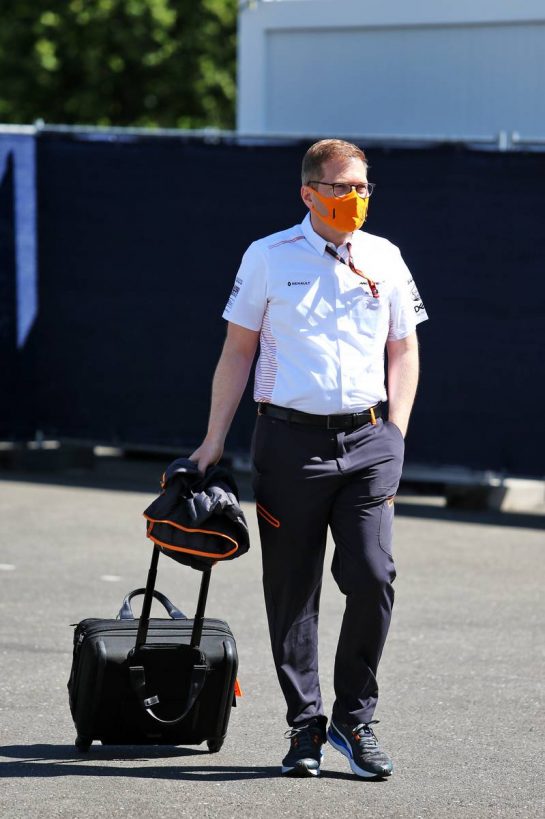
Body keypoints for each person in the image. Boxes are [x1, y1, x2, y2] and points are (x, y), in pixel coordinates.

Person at [190, 138, 428, 779]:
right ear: (309, 193)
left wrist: (397, 436)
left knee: (373, 576)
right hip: (289, 442)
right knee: (292, 592)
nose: (358, 198)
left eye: (366, 188)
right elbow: (237, 351)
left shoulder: (385, 256)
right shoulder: (267, 256)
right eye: (345, 187)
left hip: (370, 441)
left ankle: (356, 718)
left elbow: (403, 351)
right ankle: (306, 728)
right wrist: (213, 441)